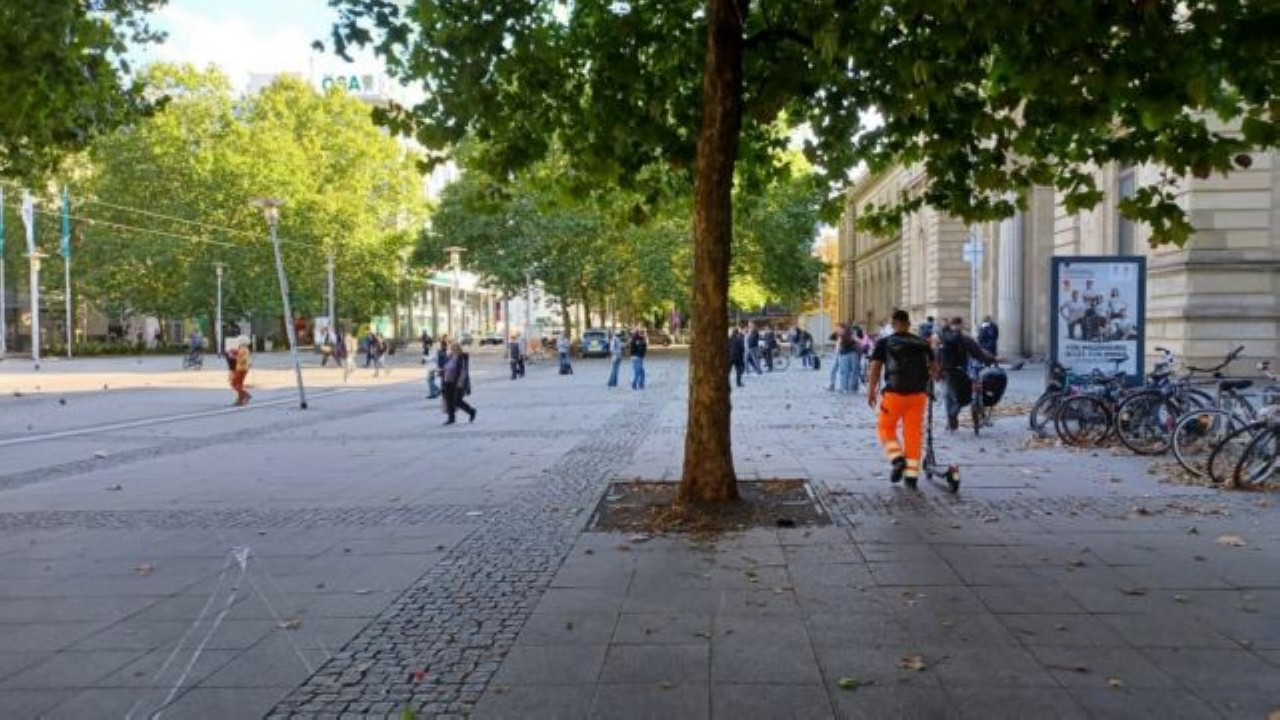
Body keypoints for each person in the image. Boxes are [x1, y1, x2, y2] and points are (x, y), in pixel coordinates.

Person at [866, 310, 936, 489]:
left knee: (885, 427)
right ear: (908, 324)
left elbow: (875, 368)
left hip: (894, 395)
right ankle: (911, 476)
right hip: (918, 396)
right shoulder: (923, 343)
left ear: (893, 324)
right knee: (913, 434)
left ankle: (897, 459)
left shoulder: (884, 342)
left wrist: (871, 391)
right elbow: (934, 369)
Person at [937, 317, 998, 431]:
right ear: (960, 325)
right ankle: (953, 414)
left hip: (944, 371)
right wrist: (991, 360)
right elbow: (979, 354)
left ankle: (950, 422)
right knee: (964, 396)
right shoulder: (965, 339)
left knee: (948, 396)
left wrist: (937, 372)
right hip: (959, 372)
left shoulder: (942, 338)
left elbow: (935, 354)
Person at [440, 342, 476, 425]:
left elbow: (463, 371)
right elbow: (446, 367)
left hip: (457, 382)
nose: (454, 350)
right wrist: (442, 371)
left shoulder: (462, 358)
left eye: (456, 348)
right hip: (447, 381)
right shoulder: (449, 357)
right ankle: (451, 418)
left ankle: (471, 411)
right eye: (453, 348)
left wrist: (460, 383)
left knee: (457, 400)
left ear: (459, 349)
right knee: (449, 400)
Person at [228, 337, 252, 406]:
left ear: (241, 342)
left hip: (241, 369)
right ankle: (240, 400)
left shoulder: (243, 349)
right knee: (239, 385)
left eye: (238, 341)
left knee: (234, 384)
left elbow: (242, 360)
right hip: (243, 369)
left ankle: (246, 395)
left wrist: (233, 357)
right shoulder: (244, 349)